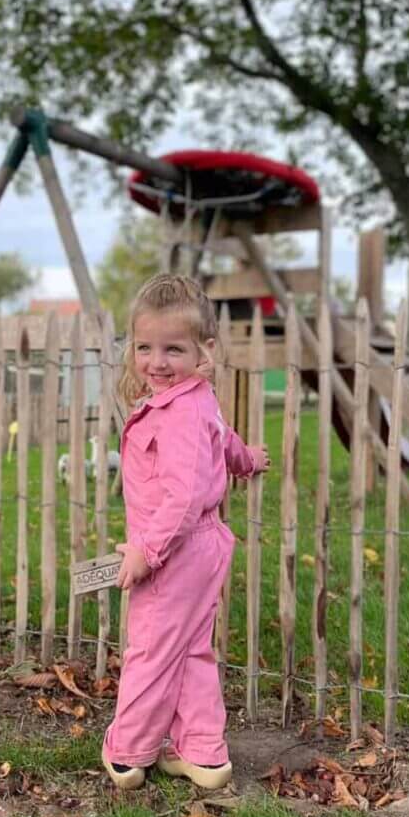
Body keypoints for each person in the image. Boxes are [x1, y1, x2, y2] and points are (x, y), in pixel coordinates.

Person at [102, 275, 269, 791]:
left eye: (173, 349)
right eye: (144, 347)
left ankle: (129, 752)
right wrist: (247, 460)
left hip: (175, 551)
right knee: (193, 648)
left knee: (150, 647)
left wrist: (145, 554)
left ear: (205, 349)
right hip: (201, 546)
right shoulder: (196, 399)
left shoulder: (178, 410)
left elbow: (184, 496)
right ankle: (203, 752)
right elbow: (221, 439)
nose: (156, 361)